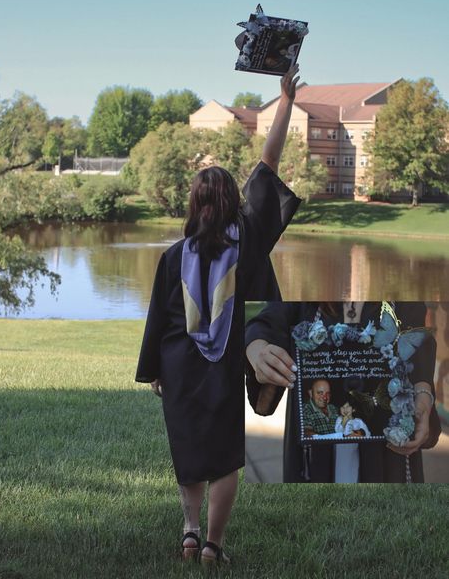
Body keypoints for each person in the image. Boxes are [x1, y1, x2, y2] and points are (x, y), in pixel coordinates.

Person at [135, 65, 302, 564]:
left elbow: (159, 321)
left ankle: (188, 530)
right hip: (227, 370)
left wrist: (154, 372)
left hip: (183, 369)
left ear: (194, 203)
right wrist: (286, 100)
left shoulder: (171, 257)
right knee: (226, 458)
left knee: (190, 453)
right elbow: (268, 165)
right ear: (233, 201)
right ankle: (212, 544)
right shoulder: (247, 239)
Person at [245, 302, 439, 482]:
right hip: (319, 451)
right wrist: (257, 350)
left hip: (384, 446)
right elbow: (266, 324)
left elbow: (419, 342)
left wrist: (423, 392)